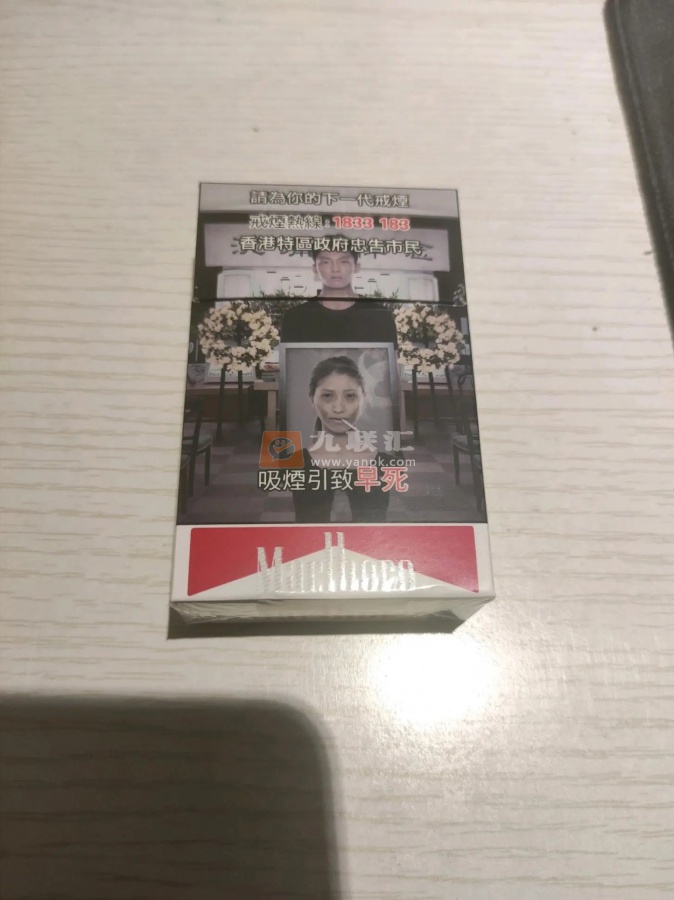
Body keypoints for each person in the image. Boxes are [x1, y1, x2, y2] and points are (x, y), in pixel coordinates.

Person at [292, 356, 394, 523]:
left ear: (363, 399)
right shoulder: (296, 462)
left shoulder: (385, 463)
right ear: (312, 399)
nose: (338, 408)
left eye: (350, 396)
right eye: (327, 396)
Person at [280, 239, 398, 345]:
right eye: (326, 262)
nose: (335, 269)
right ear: (315, 268)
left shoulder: (380, 316)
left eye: (344, 262)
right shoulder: (296, 317)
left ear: (356, 267)